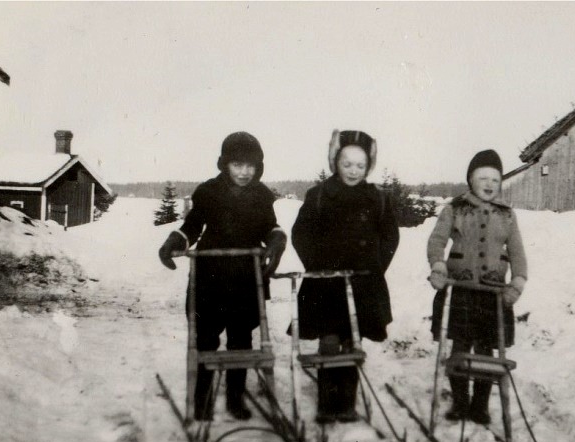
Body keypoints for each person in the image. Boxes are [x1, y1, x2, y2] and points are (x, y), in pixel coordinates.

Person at [158, 131, 287, 421]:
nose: (244, 172)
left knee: (241, 339)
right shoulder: (208, 192)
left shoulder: (261, 195)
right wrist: (175, 242)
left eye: (251, 166)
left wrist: (277, 241)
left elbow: (270, 227)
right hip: (211, 277)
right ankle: (202, 399)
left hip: (246, 277)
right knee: (205, 338)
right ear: (225, 164)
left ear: (259, 167)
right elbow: (192, 226)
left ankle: (234, 398)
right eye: (237, 164)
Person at [291, 129, 399, 423]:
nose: (353, 171)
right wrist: (315, 264)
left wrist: (376, 267)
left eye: (360, 165)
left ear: (369, 167)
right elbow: (301, 233)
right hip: (325, 285)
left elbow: (390, 237)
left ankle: (347, 403)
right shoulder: (320, 196)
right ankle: (328, 403)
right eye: (347, 163)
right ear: (335, 162)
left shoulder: (377, 199)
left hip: (363, 283)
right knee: (329, 341)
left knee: (353, 341)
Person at [426, 149, 527, 425]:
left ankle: (479, 405)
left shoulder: (507, 215)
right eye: (483, 178)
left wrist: (517, 282)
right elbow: (436, 242)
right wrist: (438, 266)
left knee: (486, 352)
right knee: (460, 348)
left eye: (495, 179)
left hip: (493, 296)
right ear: (471, 180)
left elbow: (517, 253)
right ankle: (460, 403)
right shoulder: (454, 209)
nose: (489, 184)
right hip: (459, 289)